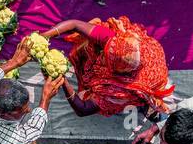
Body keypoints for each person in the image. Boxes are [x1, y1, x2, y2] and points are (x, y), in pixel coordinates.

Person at [38, 17, 173, 117]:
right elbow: (74, 24)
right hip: (134, 62)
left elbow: (82, 109)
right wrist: (44, 36)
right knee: (87, 45)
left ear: (117, 71)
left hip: (147, 82)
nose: (104, 54)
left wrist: (63, 81)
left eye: (107, 58)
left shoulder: (120, 93)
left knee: (85, 94)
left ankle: (145, 107)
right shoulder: (120, 43)